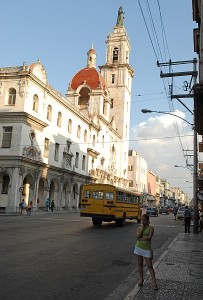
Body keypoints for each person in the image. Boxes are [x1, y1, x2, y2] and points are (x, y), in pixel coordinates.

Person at [134, 214, 158, 290]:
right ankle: (141, 279)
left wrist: (142, 238)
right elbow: (138, 236)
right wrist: (143, 229)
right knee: (140, 264)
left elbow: (149, 237)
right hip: (138, 247)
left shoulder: (151, 228)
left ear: (148, 220)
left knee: (149, 265)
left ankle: (154, 283)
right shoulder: (139, 228)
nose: (143, 221)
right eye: (142, 220)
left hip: (147, 249)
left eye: (144, 220)